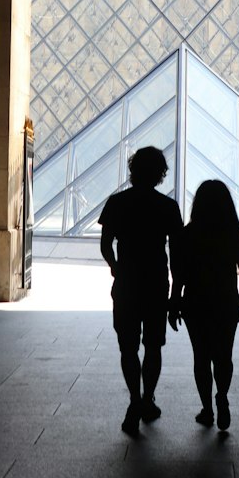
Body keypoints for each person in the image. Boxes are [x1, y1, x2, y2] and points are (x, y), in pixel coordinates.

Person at [99, 146, 184, 436]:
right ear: (160, 174)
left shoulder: (116, 202)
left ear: (133, 170)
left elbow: (105, 244)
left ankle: (134, 399)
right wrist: (177, 294)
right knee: (153, 345)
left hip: (126, 282)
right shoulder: (168, 207)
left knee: (128, 346)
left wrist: (115, 266)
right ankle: (148, 398)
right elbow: (177, 256)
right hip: (157, 283)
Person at [168, 179, 239, 431]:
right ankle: (222, 396)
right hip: (225, 301)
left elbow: (178, 275)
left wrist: (174, 303)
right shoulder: (234, 233)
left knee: (201, 357)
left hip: (195, 302)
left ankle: (207, 409)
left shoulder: (188, 234)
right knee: (224, 355)